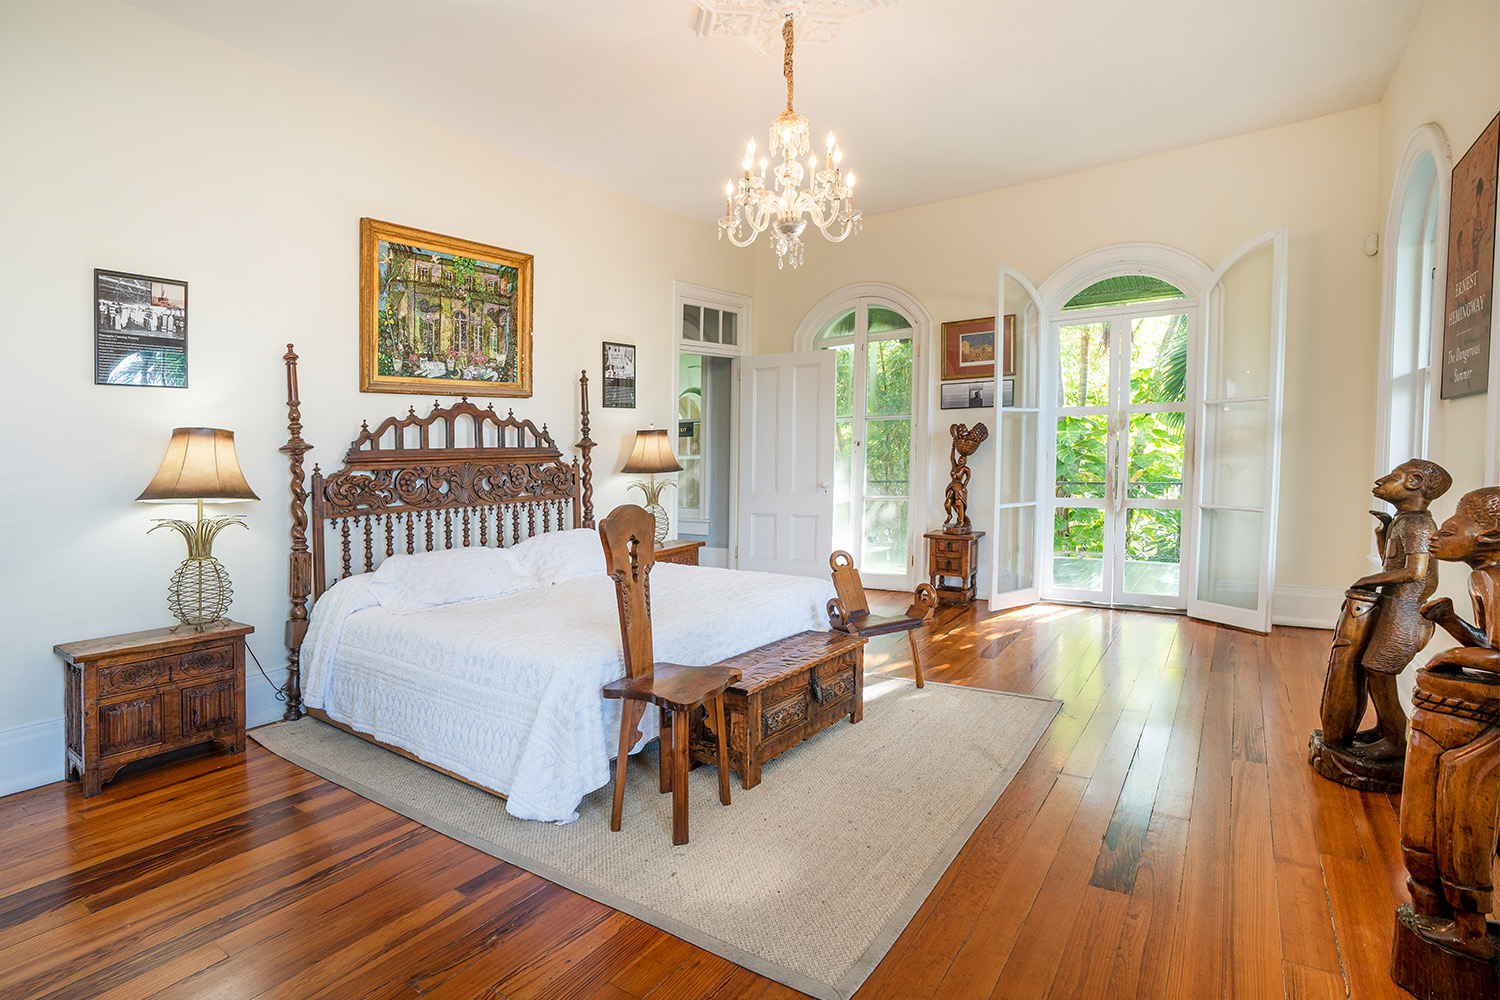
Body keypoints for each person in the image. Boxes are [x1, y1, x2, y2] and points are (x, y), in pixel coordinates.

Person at [1399, 486, 1500, 960]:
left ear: (1491, 534)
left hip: (1481, 723)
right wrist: (1455, 626)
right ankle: (1434, 902)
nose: (1440, 536)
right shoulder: (1484, 576)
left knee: (1461, 806)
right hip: (1458, 713)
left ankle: (1469, 929)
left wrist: (1454, 652)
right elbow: (1491, 640)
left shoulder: (1493, 578)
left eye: (1452, 529)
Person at [1318, 459, 1451, 759]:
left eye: (1393, 477)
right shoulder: (1404, 521)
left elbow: (1415, 572)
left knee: (1378, 670)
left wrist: (1368, 580)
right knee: (1373, 669)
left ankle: (1395, 740)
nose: (1381, 480)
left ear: (1414, 482)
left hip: (1405, 613)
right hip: (1394, 609)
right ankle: (1384, 729)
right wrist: (1383, 534)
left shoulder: (1417, 524)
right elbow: (1391, 565)